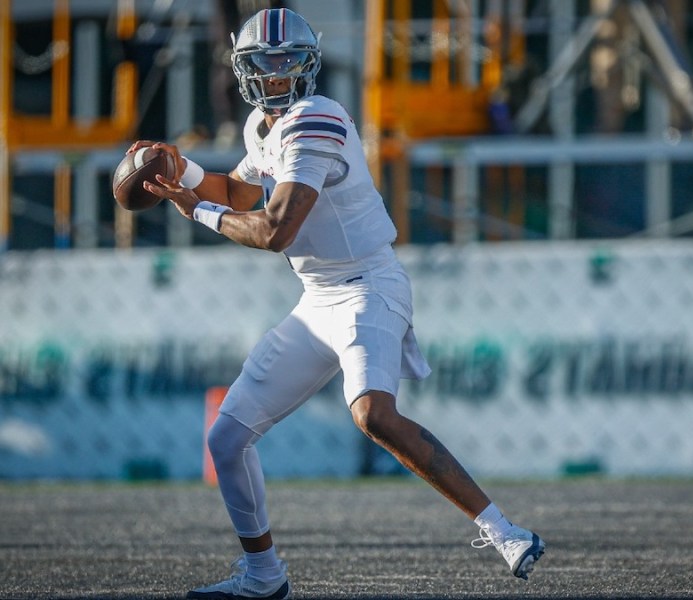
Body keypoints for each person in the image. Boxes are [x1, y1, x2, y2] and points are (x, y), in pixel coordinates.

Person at [130, 8, 545, 600]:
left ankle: (503, 530)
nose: (275, 75)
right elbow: (240, 189)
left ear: (309, 64)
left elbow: (276, 231)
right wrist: (184, 170)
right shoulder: (262, 127)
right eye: (263, 64)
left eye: (286, 61)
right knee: (225, 439)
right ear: (243, 70)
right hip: (319, 296)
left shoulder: (315, 119)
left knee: (374, 414)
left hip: (369, 285)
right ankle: (264, 575)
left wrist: (196, 209)